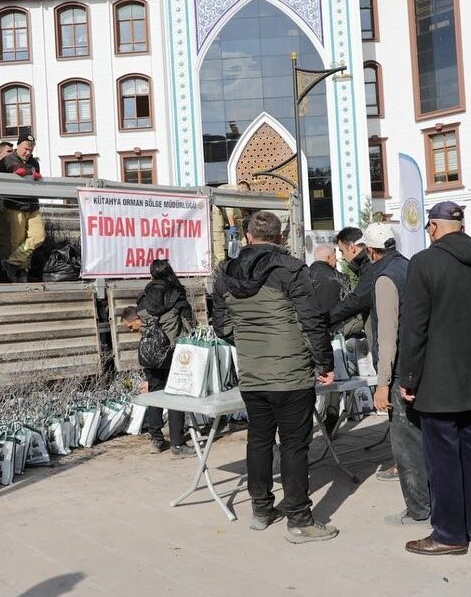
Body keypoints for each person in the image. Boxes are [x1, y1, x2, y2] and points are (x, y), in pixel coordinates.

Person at [211, 211, 338, 543]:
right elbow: (312, 322)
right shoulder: (292, 269)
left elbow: (222, 327)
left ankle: (262, 509)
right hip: (291, 374)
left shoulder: (226, 273)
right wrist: (325, 363)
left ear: (249, 238)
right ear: (280, 238)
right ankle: (299, 519)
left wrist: (252, 343)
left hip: (253, 373)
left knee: (259, 440)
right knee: (295, 445)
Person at [398, 201, 471, 556]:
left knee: (442, 459)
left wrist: (408, 376)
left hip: (437, 380)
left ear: (432, 227)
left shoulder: (425, 263)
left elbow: (414, 327)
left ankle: (448, 533)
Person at [362, 222, 431, 528]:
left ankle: (418, 509)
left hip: (401, 369)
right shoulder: (409, 267)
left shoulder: (384, 278)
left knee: (405, 444)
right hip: (421, 365)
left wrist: (382, 383)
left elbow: (388, 336)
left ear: (370, 251)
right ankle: (431, 501)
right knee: (423, 437)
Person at [126, 259, 196, 456]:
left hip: (150, 352)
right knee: (175, 396)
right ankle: (177, 444)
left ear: (151, 276)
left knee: (155, 394)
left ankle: (156, 439)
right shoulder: (177, 294)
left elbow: (141, 324)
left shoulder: (143, 297)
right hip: (174, 352)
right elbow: (190, 324)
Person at [0, 134, 44, 282]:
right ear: (18, 146)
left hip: (32, 205)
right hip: (14, 206)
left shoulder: (34, 162)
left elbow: (37, 180)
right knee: (17, 240)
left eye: (31, 149)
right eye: (25, 149)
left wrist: (37, 179)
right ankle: (21, 273)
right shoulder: (6, 162)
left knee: (39, 236)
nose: (28, 152)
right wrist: (14, 178)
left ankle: (11, 262)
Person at [309, 244, 348, 315]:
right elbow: (347, 304)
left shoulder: (305, 276)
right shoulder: (340, 278)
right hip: (336, 322)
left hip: (311, 322)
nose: (336, 260)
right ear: (328, 258)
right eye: (335, 257)